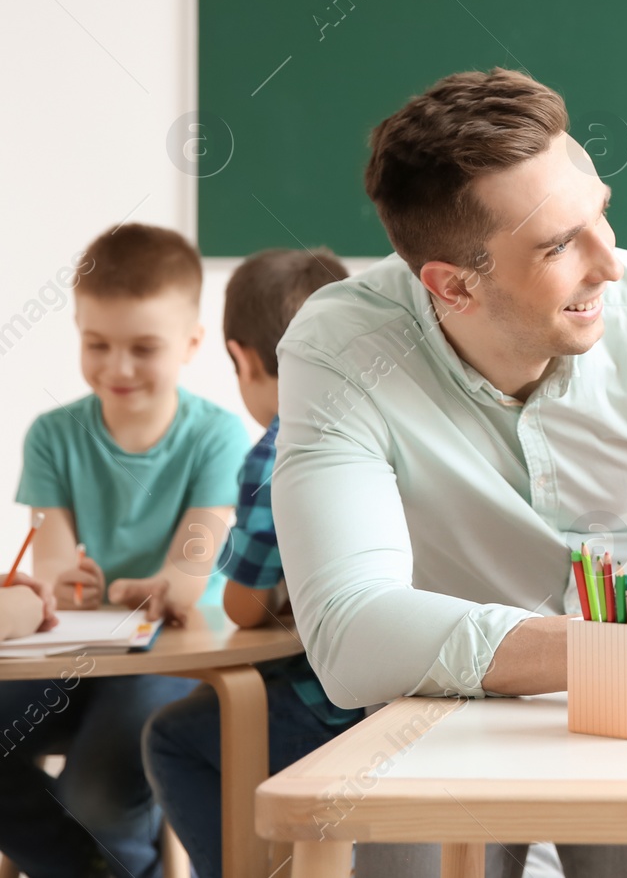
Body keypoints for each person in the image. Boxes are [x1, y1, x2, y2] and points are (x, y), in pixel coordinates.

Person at [272, 67, 627, 877]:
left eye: (598, 212)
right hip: (447, 707)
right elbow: (350, 633)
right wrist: (617, 654)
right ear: (453, 285)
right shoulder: (342, 349)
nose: (612, 265)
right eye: (559, 245)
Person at [0, 223, 250, 878]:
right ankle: (91, 869)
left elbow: (189, 571)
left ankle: (107, 858)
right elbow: (52, 564)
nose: (117, 367)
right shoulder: (54, 436)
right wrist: (63, 580)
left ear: (192, 343)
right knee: (87, 801)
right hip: (82, 652)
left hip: (175, 657)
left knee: (98, 794)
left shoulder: (218, 437)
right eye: (97, 344)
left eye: (143, 347)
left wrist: (145, 584)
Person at [144, 247, 360, 878]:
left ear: (240, 357)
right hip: (394, 706)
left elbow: (243, 605)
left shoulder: (278, 451)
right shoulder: (377, 425)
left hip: (326, 713)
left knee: (171, 736)